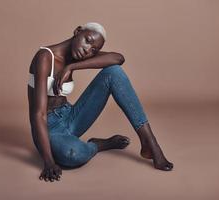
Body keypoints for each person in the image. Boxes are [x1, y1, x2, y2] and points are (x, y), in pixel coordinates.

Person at [27, 22, 173, 182]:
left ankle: (150, 143)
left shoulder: (78, 56)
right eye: (87, 40)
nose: (87, 49)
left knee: (114, 72)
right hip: (48, 127)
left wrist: (72, 66)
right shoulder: (45, 57)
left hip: (70, 116)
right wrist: (48, 162)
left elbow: (118, 58)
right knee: (73, 155)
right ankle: (98, 145)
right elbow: (38, 114)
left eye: (93, 50)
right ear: (77, 31)